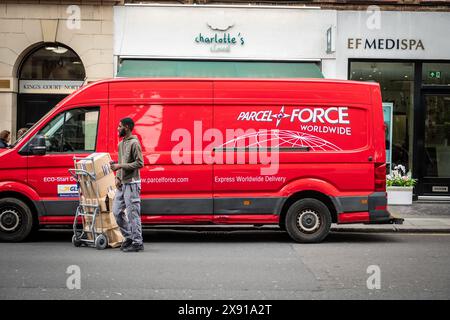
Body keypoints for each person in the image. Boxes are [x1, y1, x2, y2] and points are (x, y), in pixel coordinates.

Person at [110, 118, 144, 252]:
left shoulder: (135, 143)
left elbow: (140, 163)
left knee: (132, 214)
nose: (118, 129)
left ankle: (137, 242)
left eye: (120, 126)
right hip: (122, 184)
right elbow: (120, 161)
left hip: (132, 184)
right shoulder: (121, 144)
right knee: (116, 211)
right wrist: (118, 177)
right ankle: (128, 237)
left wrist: (120, 166)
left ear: (128, 127)